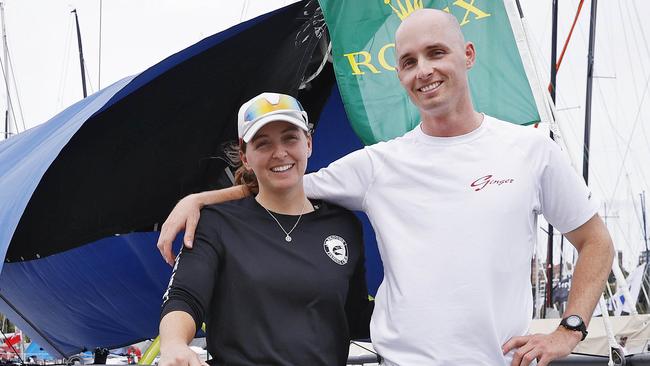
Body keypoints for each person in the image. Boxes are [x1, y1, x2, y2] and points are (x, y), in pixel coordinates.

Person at [157, 9, 614, 366]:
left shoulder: (531, 150)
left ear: (468, 55)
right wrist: (200, 198)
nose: (424, 71)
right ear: (399, 75)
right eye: (409, 62)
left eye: (437, 53)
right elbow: (282, 185)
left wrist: (569, 328)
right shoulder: (377, 165)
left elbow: (595, 242)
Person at [158, 92, 372, 366]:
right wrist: (174, 344)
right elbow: (185, 296)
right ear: (245, 157)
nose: (279, 152)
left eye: (290, 138)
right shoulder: (215, 223)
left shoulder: (344, 225)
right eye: (263, 144)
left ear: (308, 143)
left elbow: (356, 317)